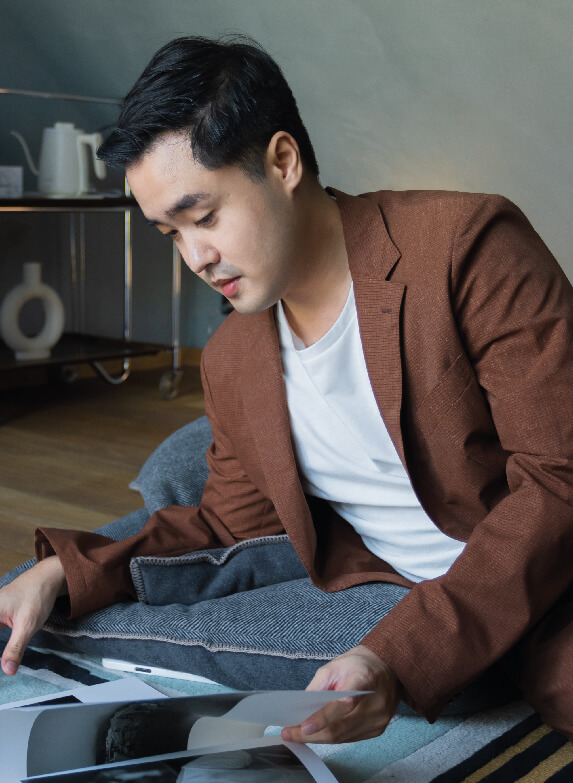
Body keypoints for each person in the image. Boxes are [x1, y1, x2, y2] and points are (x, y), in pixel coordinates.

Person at [0, 35, 572, 745]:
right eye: (169, 233)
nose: (196, 257)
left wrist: (400, 652)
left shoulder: (467, 247)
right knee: (164, 488)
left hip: (541, 577)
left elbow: (559, 480)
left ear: (282, 161)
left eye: (204, 217)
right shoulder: (233, 358)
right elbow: (224, 528)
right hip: (390, 585)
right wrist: (61, 572)